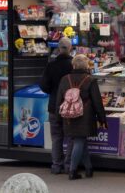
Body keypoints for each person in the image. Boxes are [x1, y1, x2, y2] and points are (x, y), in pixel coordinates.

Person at [56, 54, 107, 180]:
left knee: (80, 141)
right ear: (86, 66)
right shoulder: (90, 80)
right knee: (79, 141)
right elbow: (97, 101)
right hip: (85, 116)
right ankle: (72, 171)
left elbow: (59, 99)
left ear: (73, 65)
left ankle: (89, 168)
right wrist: (102, 118)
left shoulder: (64, 79)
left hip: (68, 116)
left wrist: (58, 117)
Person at [40, 36, 73, 174]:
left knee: (56, 137)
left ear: (58, 49)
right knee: (71, 136)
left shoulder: (51, 65)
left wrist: (53, 91)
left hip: (54, 106)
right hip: (71, 106)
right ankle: (68, 165)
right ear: (70, 48)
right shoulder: (73, 65)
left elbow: (44, 86)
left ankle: (56, 165)